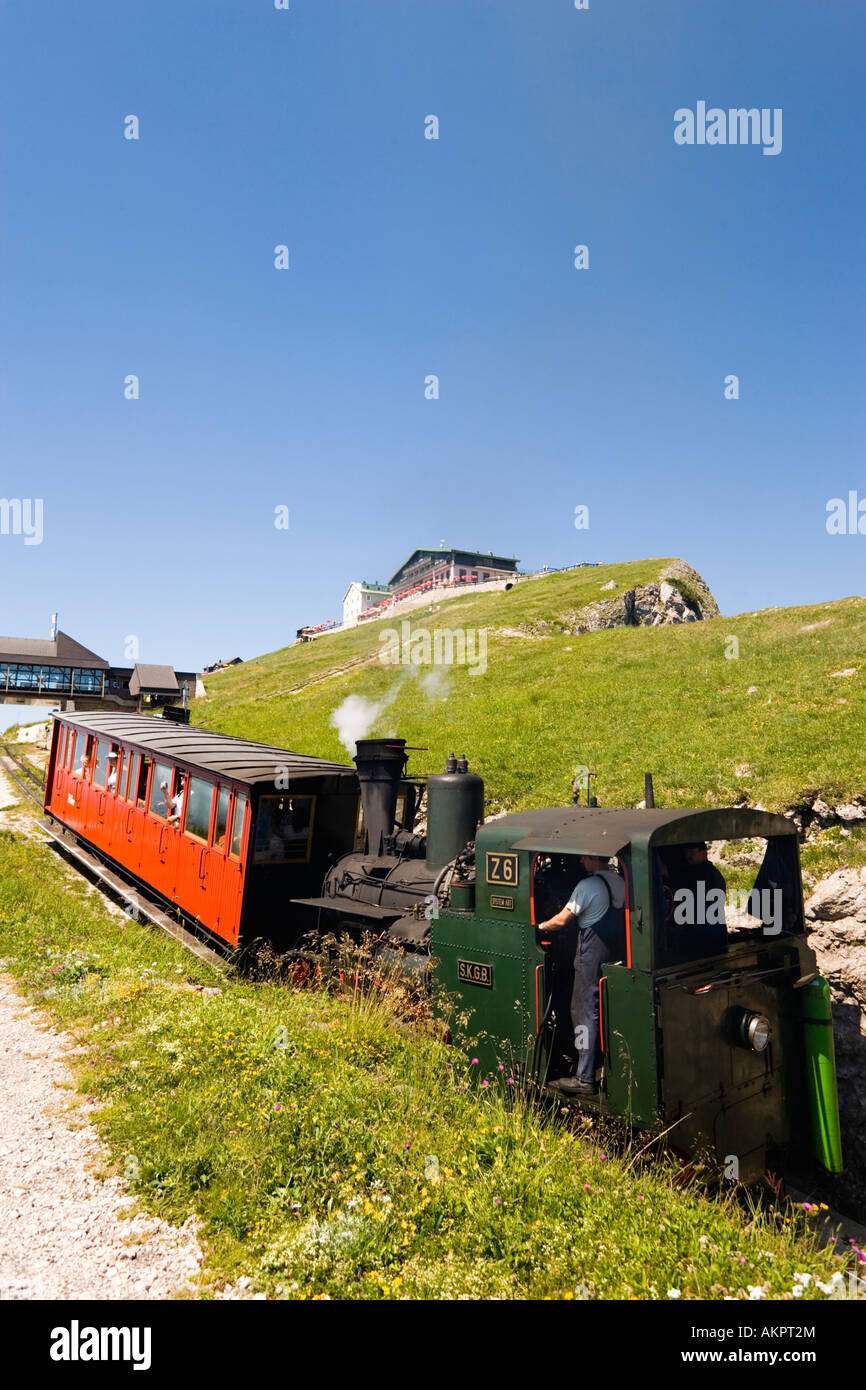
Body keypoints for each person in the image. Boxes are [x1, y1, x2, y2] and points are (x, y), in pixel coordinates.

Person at [537, 854, 627, 1096]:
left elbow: (562, 920)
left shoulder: (588, 886)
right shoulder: (620, 882)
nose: (581, 862)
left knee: (582, 1012)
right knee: (601, 1010)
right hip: (612, 951)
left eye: (583, 858)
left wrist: (540, 926)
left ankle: (584, 1076)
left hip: (590, 954)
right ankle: (599, 1065)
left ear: (590, 858)